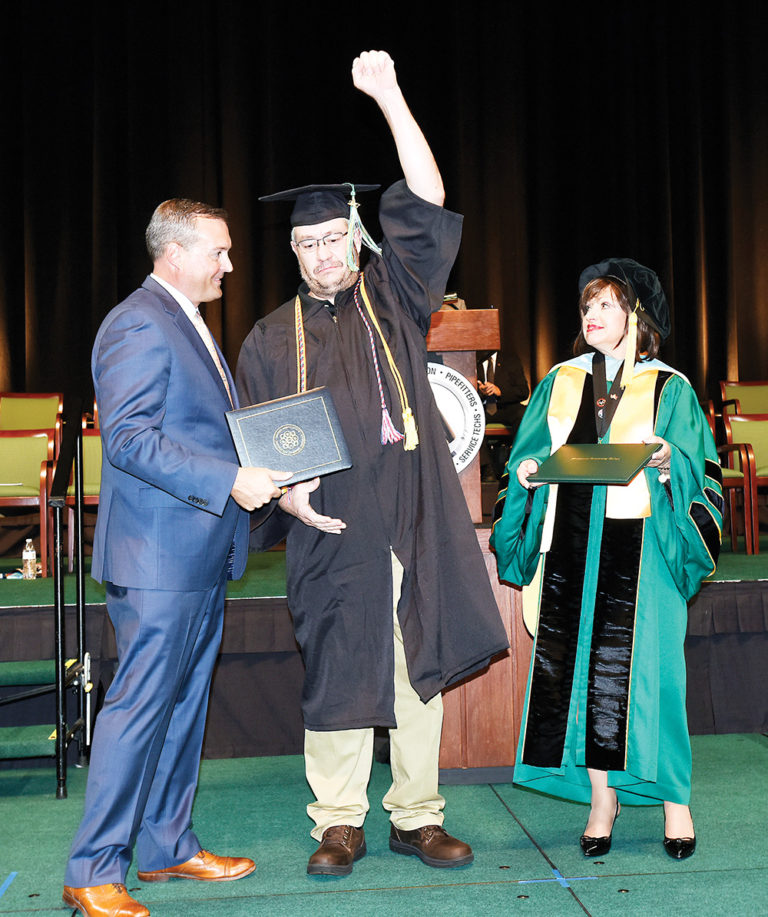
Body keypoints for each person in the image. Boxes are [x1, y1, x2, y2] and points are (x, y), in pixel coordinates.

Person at [236, 50, 508, 877]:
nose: (322, 254)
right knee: (340, 668)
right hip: (332, 532)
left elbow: (426, 198)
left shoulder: (392, 293)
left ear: (354, 235)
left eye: (332, 237)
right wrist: (286, 501)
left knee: (415, 661)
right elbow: (254, 453)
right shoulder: (265, 339)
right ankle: (340, 819)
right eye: (306, 243)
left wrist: (390, 96)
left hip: (415, 516)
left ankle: (418, 813)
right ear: (291, 250)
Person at [63, 200, 288, 917]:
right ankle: (91, 868)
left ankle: (165, 845)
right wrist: (227, 478)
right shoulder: (137, 321)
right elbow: (128, 440)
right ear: (176, 252)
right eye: (218, 251)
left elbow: (203, 430)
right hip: (158, 559)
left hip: (195, 554)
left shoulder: (184, 322)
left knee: (183, 708)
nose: (228, 264)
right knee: (137, 711)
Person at [490, 258, 722, 861]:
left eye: (606, 306)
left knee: (659, 676)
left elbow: (700, 467)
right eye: (587, 306)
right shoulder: (559, 382)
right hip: (572, 546)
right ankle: (601, 801)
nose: (591, 315)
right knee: (583, 675)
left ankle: (676, 801)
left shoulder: (668, 387)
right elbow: (528, 455)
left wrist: (671, 461)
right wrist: (525, 473)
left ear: (635, 317)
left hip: (644, 547)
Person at [477, 349, 529, 481]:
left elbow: (523, 391)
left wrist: (499, 391)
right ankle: (486, 468)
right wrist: (481, 391)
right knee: (472, 420)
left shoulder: (510, 358)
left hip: (506, 407)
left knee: (523, 415)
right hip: (481, 407)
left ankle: (521, 462)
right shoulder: (472, 358)